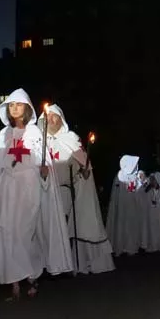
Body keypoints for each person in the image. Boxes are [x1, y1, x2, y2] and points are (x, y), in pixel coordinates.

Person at [0, 89, 46, 301]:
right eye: (11, 105)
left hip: (28, 186)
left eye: (18, 105)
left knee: (24, 233)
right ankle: (15, 284)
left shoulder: (35, 132)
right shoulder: (3, 134)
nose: (14, 108)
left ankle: (32, 276)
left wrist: (44, 172)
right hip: (7, 189)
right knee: (8, 233)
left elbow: (43, 161)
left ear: (26, 108)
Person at [40, 104, 110, 275]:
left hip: (64, 191)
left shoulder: (70, 138)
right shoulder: (38, 141)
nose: (51, 119)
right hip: (44, 190)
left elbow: (84, 169)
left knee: (63, 227)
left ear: (61, 119)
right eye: (48, 117)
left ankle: (67, 263)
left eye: (55, 116)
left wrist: (85, 172)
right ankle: (46, 265)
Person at [107, 155, 143, 255]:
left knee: (131, 227)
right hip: (122, 207)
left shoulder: (135, 178)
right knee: (122, 227)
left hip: (132, 207)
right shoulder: (119, 176)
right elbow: (115, 193)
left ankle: (131, 247)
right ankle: (120, 246)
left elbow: (140, 192)